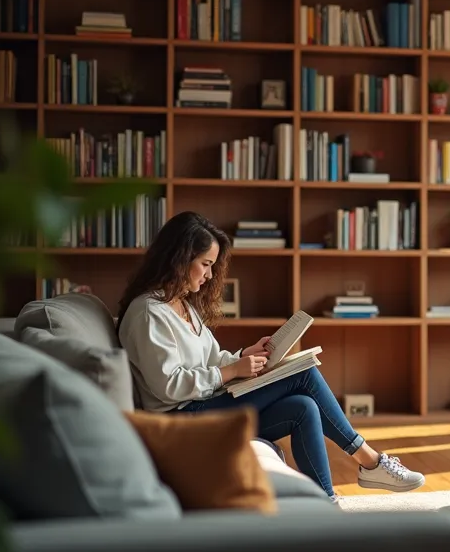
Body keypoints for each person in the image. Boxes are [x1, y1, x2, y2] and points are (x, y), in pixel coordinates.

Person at [115, 211, 425, 501]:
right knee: (302, 375)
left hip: (202, 406)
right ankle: (369, 461)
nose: (209, 275)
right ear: (180, 259)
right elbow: (168, 385)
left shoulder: (182, 305)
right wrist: (235, 370)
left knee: (303, 407)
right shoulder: (147, 313)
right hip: (179, 420)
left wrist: (242, 357)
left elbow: (209, 359)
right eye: (206, 264)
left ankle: (326, 501)